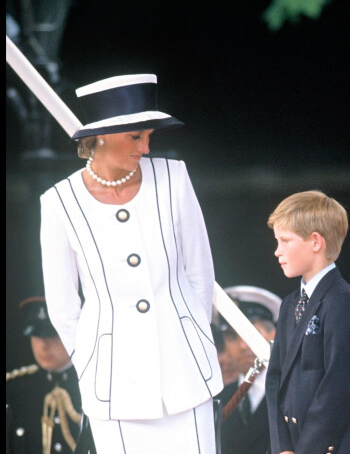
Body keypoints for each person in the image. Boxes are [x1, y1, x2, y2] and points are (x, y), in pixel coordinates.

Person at [39, 74, 223, 453]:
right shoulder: (59, 203)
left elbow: (201, 273)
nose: (146, 147)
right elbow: (62, 305)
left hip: (186, 374)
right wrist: (92, 360)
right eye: (136, 137)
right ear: (101, 136)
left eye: (149, 136)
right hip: (113, 386)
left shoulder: (175, 178)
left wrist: (191, 337)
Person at [265, 190, 350, 454]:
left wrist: (305, 450)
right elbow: (275, 379)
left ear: (315, 241)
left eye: (285, 240)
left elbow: (338, 388)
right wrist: (282, 447)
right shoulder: (290, 304)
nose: (277, 251)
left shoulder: (343, 302)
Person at [6, 296, 94, 454]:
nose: (44, 344)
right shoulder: (14, 391)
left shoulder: (96, 385)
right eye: (37, 335)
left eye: (52, 335)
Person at [216, 286, 281, 454]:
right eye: (232, 336)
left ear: (273, 334)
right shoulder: (220, 400)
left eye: (250, 333)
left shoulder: (293, 391)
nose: (243, 346)